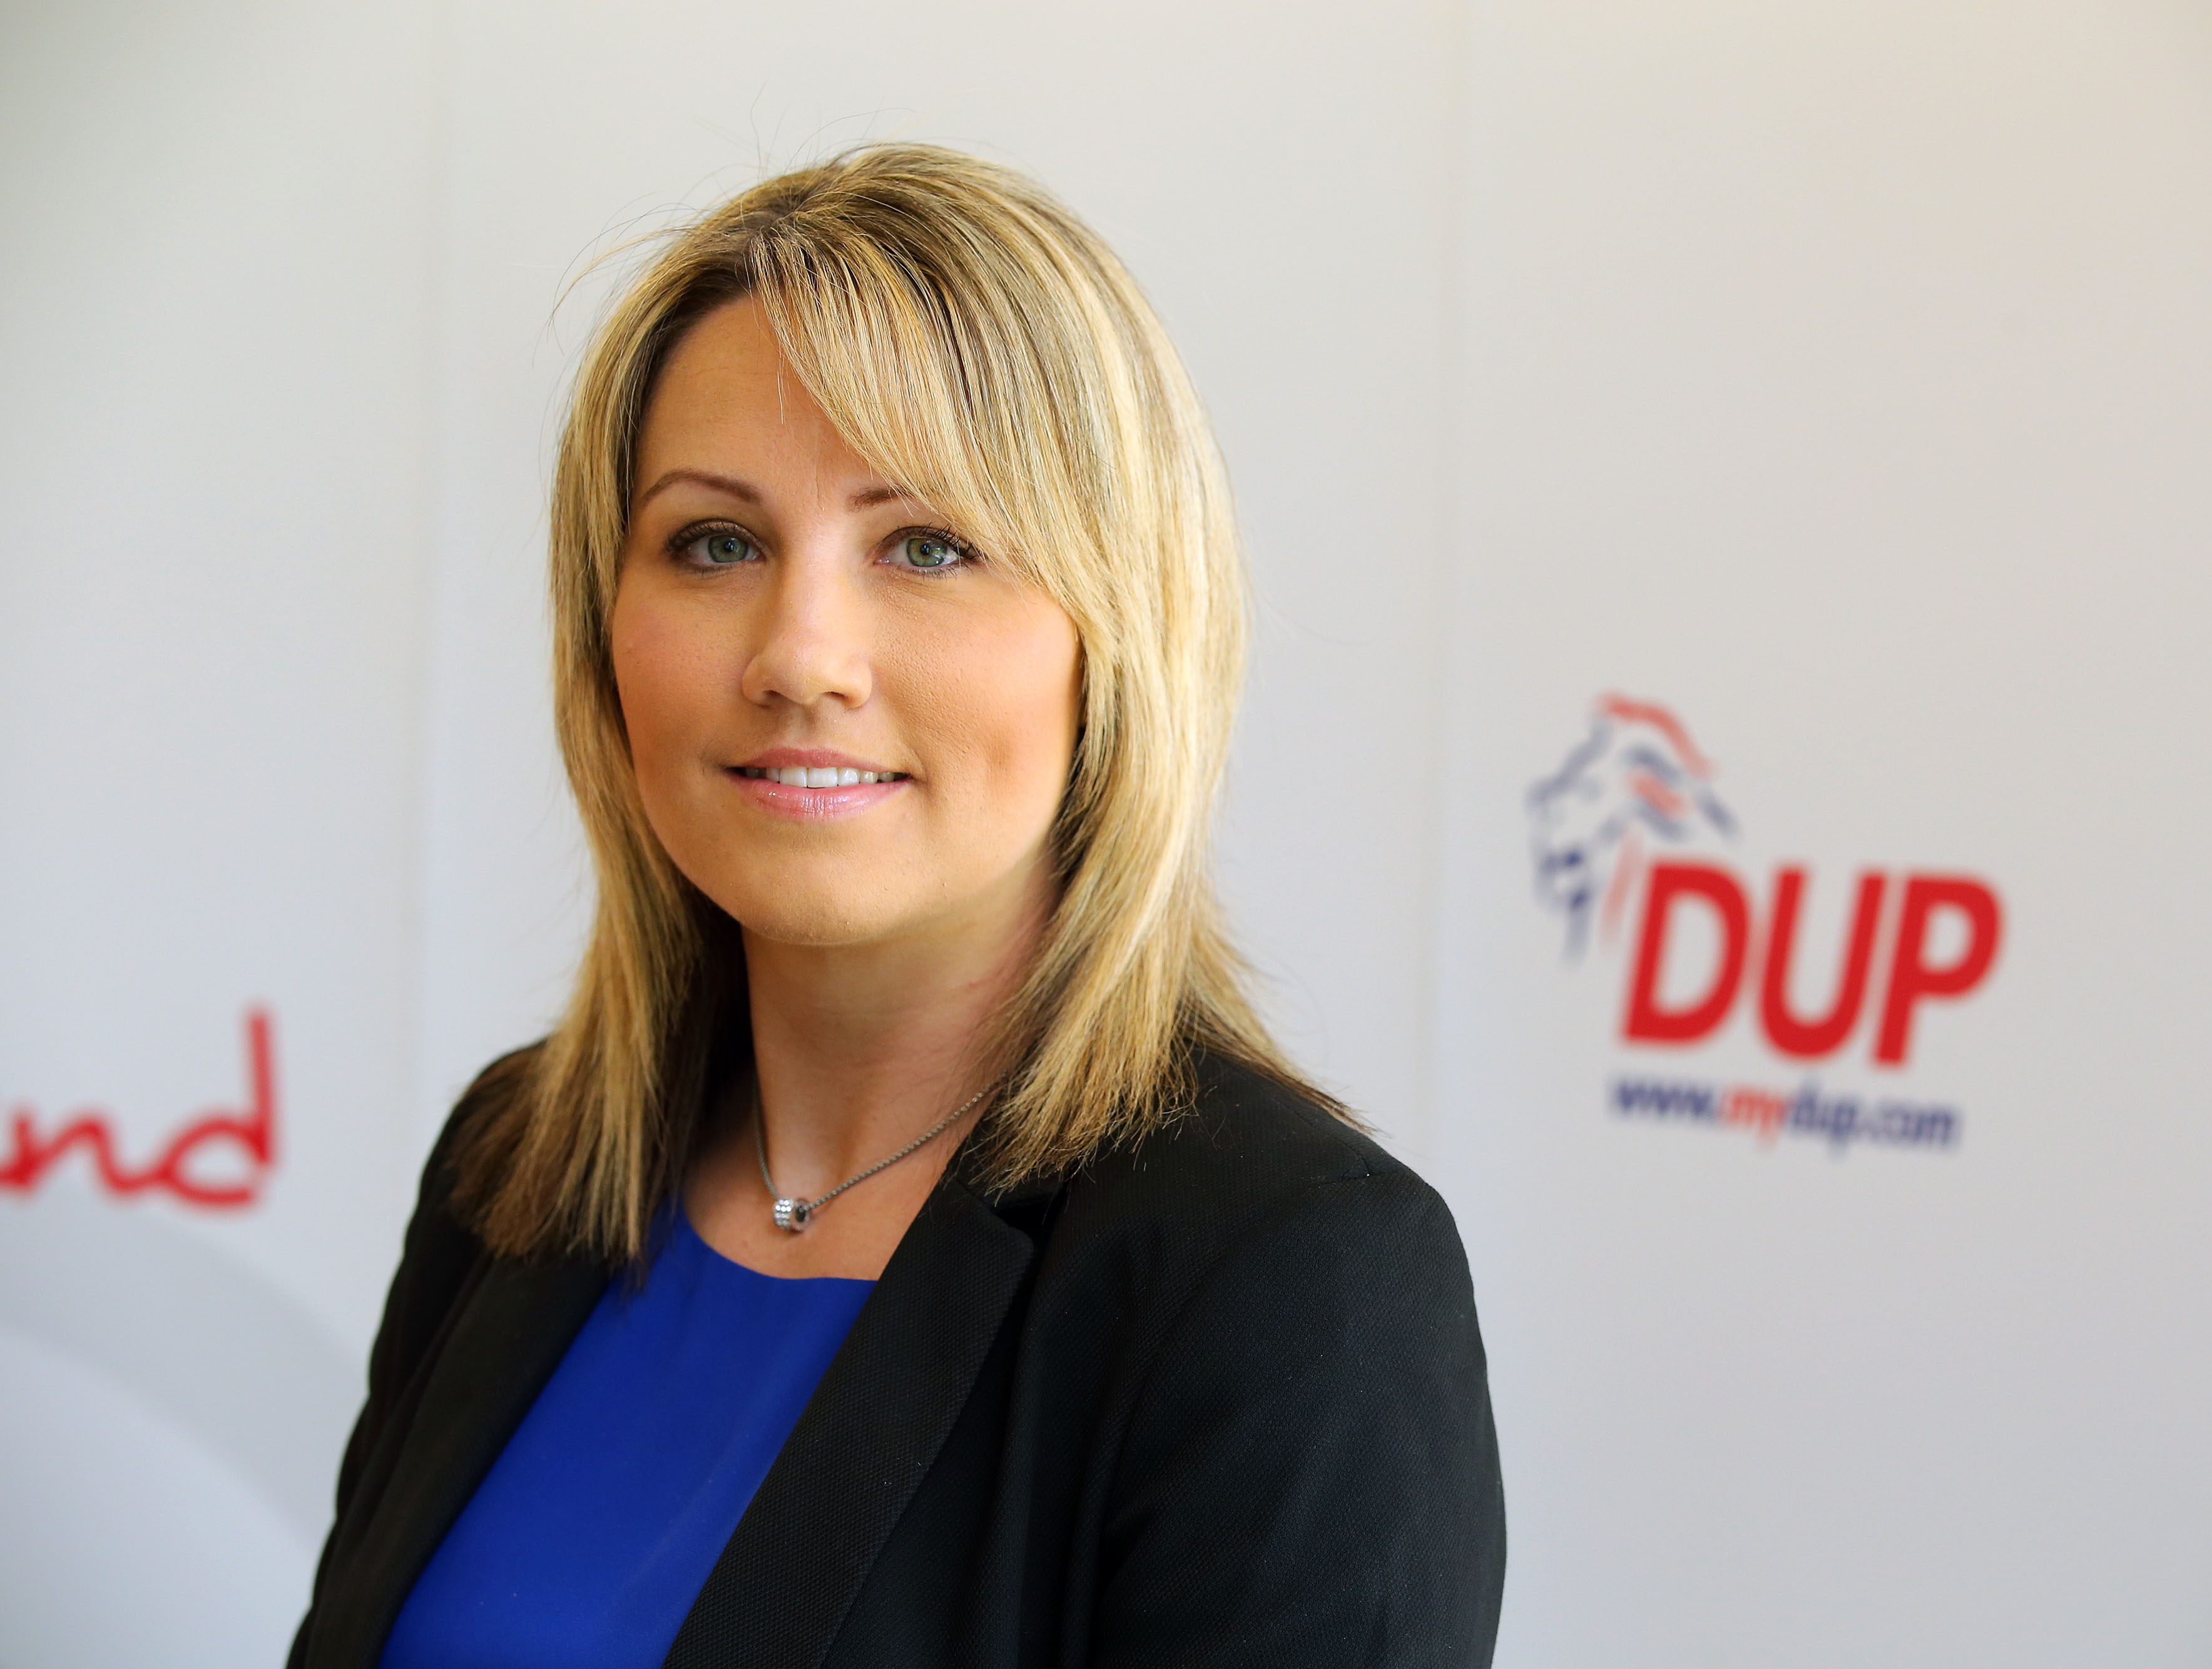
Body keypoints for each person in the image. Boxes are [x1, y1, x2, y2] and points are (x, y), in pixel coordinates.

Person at [290, 144, 1504, 1668]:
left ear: (1115, 638)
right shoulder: (515, 1165)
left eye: (927, 545)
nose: (801, 654)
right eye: (715, 542)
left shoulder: (1292, 1279)